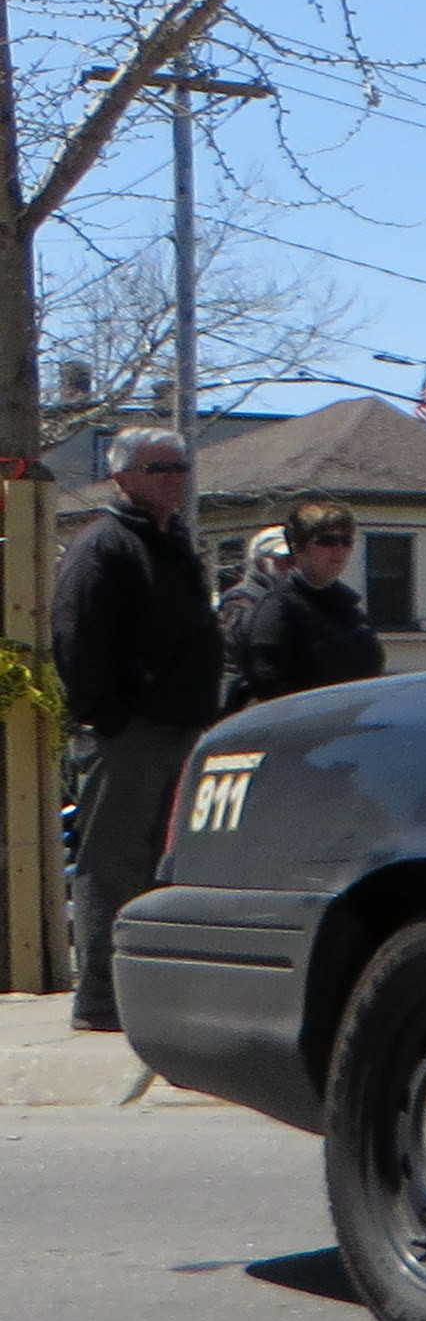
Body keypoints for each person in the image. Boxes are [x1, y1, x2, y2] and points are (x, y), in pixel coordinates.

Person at [52, 426, 222, 1032]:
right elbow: (77, 640)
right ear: (122, 478)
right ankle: (99, 1000)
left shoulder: (174, 543)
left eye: (181, 467)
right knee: (114, 865)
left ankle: (151, 997)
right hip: (127, 737)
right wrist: (111, 718)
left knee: (165, 867)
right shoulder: (103, 546)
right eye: (160, 468)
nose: (175, 478)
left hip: (182, 730)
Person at [227, 499, 384, 710]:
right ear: (298, 547)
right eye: (326, 541)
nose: (339, 550)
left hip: (352, 726)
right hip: (303, 731)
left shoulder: (351, 610)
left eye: (346, 541)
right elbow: (268, 684)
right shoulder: (276, 608)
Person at [214, 524, 289, 708]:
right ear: (260, 562)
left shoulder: (289, 601)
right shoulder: (238, 603)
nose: (289, 567)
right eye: (282, 560)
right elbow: (235, 655)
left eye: (294, 560)